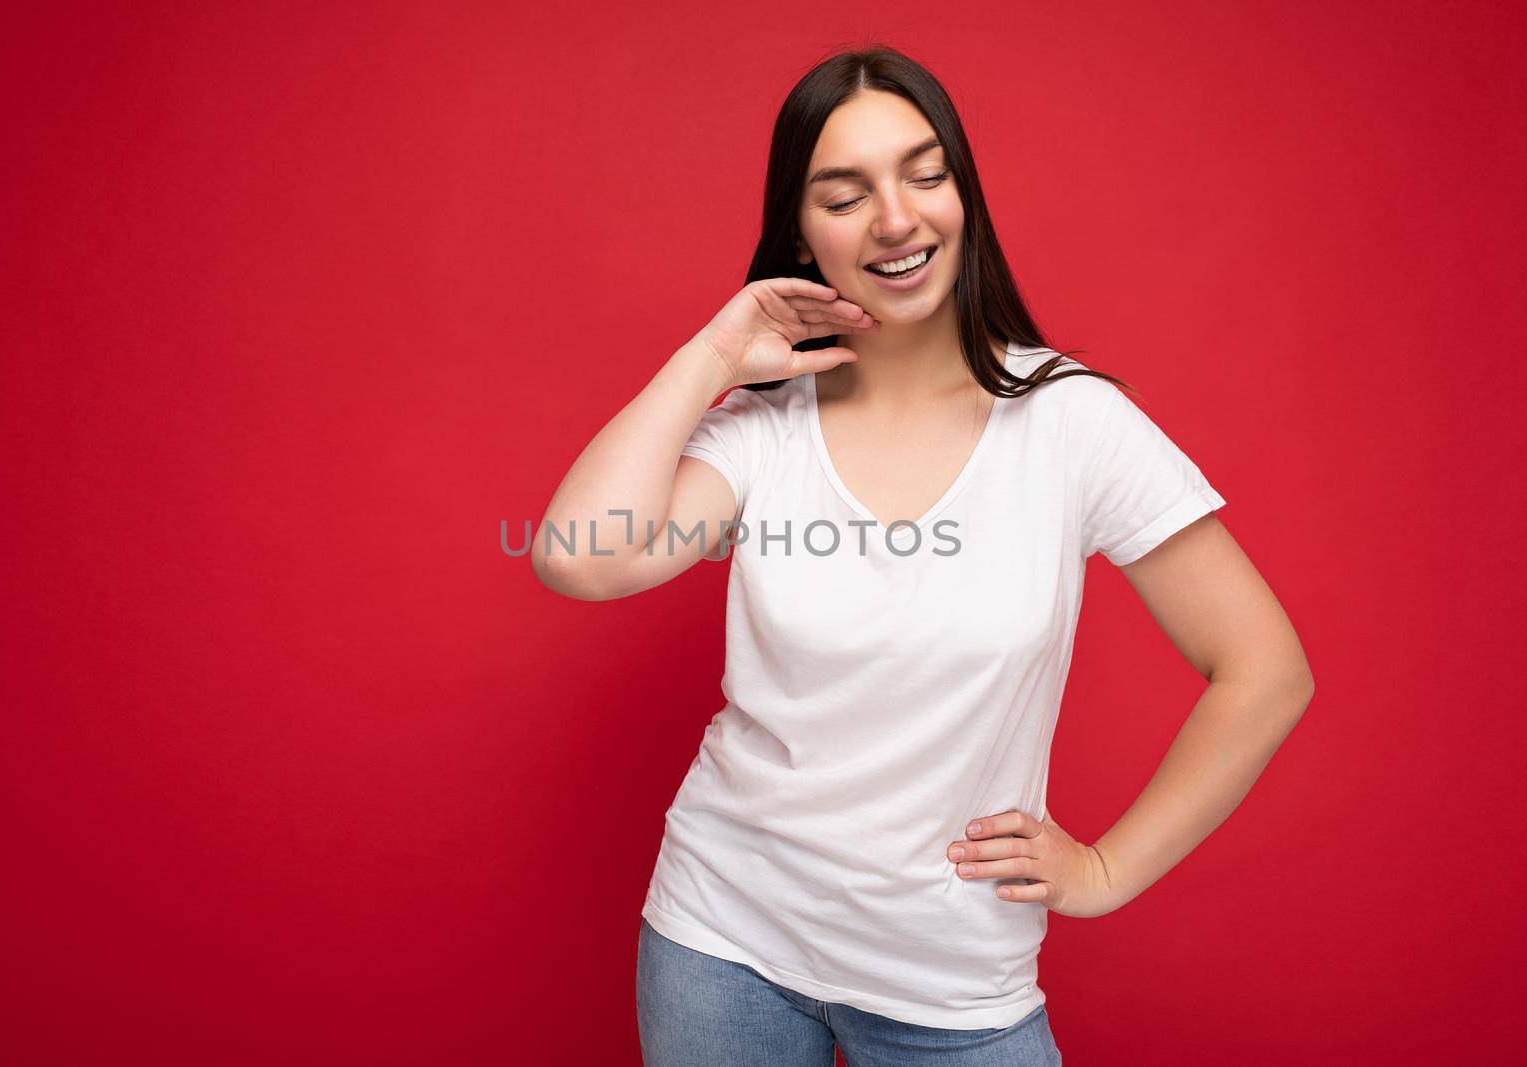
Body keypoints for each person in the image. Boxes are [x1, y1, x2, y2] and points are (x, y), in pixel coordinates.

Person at [531, 46, 1313, 1067]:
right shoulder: (765, 430)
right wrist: (715, 355)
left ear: (964, 196)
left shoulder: (1070, 422)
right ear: (802, 235)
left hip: (951, 981)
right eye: (844, 195)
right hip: (721, 946)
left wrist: (1108, 868)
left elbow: (1264, 669)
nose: (895, 218)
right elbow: (578, 555)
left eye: (924, 173)